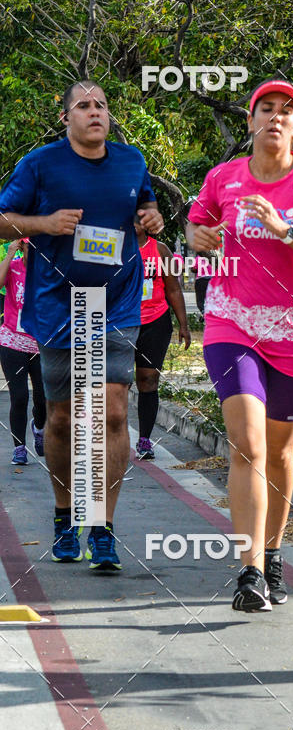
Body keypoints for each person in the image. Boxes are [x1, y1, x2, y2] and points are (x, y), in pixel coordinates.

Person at [187, 79, 293, 613]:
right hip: (232, 323)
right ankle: (249, 570)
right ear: (251, 121)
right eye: (267, 108)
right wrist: (199, 238)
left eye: (288, 111)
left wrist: (287, 233)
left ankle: (275, 555)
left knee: (281, 452)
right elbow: (197, 225)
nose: (276, 117)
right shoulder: (223, 177)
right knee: (247, 447)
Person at [0, 79, 164, 571]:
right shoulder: (40, 164)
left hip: (115, 302)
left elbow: (146, 207)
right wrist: (43, 224)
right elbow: (3, 218)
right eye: (84, 106)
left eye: (102, 105)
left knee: (113, 413)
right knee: (64, 418)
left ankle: (103, 526)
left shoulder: (132, 161)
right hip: (58, 305)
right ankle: (64, 516)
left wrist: (152, 218)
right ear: (67, 118)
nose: (95, 112)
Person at [134, 215, 191, 459]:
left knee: (148, 380)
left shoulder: (161, 250)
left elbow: (173, 288)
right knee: (116, 381)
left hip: (155, 321)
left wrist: (184, 324)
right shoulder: (110, 248)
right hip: (122, 324)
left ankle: (144, 439)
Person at [0, 238, 46, 465]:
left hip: (41, 345)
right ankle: (19, 447)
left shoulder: (48, 271)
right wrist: (9, 256)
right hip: (11, 342)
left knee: (43, 397)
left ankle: (38, 428)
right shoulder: (13, 267)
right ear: (21, 246)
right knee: (19, 396)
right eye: (29, 245)